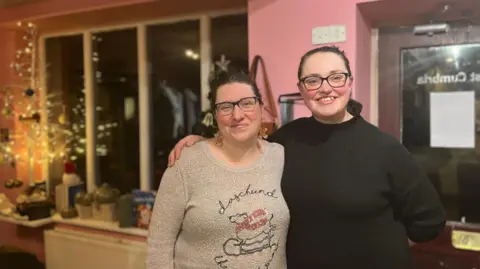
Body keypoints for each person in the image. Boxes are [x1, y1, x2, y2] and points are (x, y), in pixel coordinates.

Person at [167, 45, 446, 269]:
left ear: (349, 83)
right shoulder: (285, 141)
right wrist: (204, 144)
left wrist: (377, 247)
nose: (325, 88)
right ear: (301, 89)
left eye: (336, 77)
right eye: (313, 80)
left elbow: (429, 223)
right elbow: (243, 152)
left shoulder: (386, 149)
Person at [146, 70, 290, 269]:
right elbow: (158, 248)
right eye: (225, 107)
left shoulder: (280, 157)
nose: (237, 115)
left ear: (260, 107)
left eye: (247, 103)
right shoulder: (187, 163)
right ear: (215, 115)